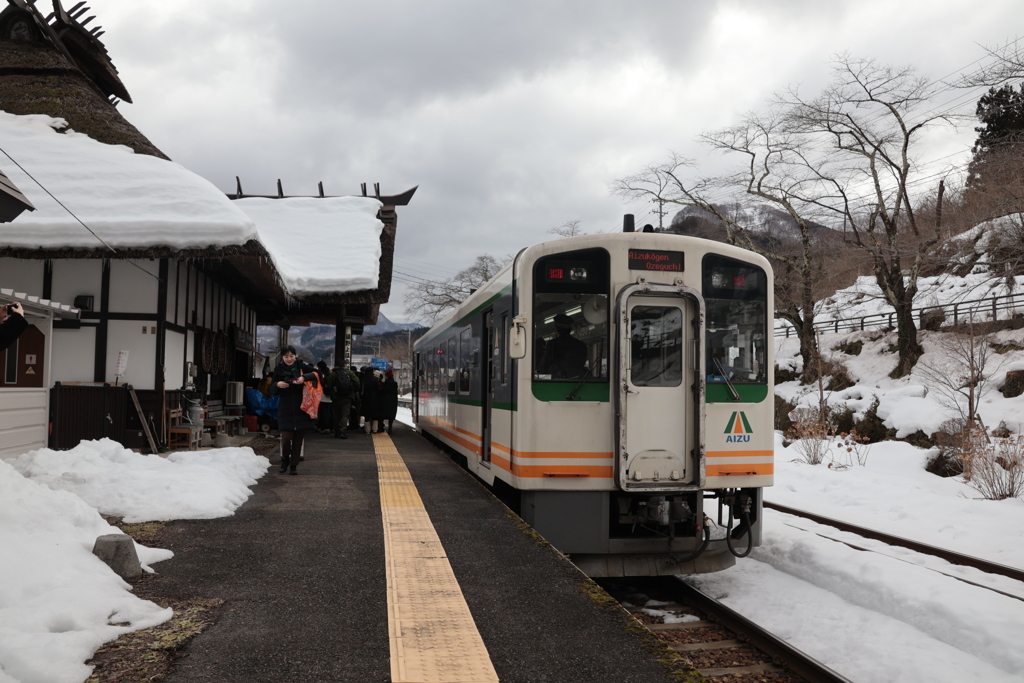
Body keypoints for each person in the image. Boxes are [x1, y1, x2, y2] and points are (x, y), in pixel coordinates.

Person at [267, 346, 318, 475]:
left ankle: (294, 465)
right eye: (286, 356)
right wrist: (277, 385)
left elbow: (318, 374)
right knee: (286, 437)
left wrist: (304, 377)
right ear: (282, 357)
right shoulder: (279, 369)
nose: (289, 359)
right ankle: (285, 460)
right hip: (285, 407)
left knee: (298, 438)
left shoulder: (302, 366)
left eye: (291, 356)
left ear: (295, 356)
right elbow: (271, 389)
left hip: (302, 407)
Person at [538, 313, 588, 379]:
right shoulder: (581, 345)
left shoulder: (552, 344)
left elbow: (543, 366)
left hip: (558, 381)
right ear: (570, 329)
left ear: (556, 329)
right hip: (578, 381)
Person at [326, 360, 360, 439]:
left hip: (336, 397)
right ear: (344, 365)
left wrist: (332, 393)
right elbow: (357, 382)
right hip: (347, 397)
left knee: (336, 415)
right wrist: (354, 391)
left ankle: (337, 431)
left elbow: (329, 385)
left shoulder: (333, 374)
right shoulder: (349, 373)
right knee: (345, 414)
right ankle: (342, 430)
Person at [360, 366, 382, 434]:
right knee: (375, 415)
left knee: (367, 416)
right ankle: (375, 429)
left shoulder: (364, 380)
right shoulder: (375, 380)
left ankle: (367, 430)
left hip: (366, 399)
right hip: (375, 399)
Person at [379, 369, 399, 435]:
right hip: (392, 402)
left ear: (387, 376)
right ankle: (390, 429)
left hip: (385, 402)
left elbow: (383, 392)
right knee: (391, 417)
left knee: (382, 415)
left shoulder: (386, 384)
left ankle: (380, 427)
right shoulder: (394, 384)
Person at [315, 360, 333, 434]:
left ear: (319, 367)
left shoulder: (320, 374)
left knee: (323, 412)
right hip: (330, 396)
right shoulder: (330, 374)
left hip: (322, 395)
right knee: (329, 411)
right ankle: (329, 426)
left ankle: (324, 427)